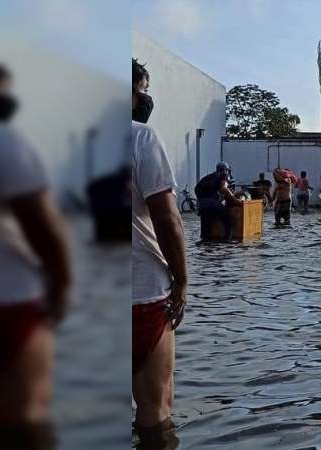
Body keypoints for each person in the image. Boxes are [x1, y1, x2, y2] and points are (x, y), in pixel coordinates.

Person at [0, 58, 72, 449]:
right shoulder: (1, 140)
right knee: (24, 418)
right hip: (5, 300)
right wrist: (62, 281)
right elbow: (41, 224)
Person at [131, 58, 186, 449]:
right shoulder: (140, 138)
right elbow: (167, 220)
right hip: (140, 294)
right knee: (155, 407)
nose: (146, 97)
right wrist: (182, 281)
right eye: (142, 88)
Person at [194, 162, 243, 240]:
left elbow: (199, 189)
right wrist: (236, 200)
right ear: (225, 170)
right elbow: (224, 189)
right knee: (228, 221)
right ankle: (227, 241)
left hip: (202, 205)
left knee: (205, 229)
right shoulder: (223, 175)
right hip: (212, 204)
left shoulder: (209, 177)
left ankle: (205, 247)